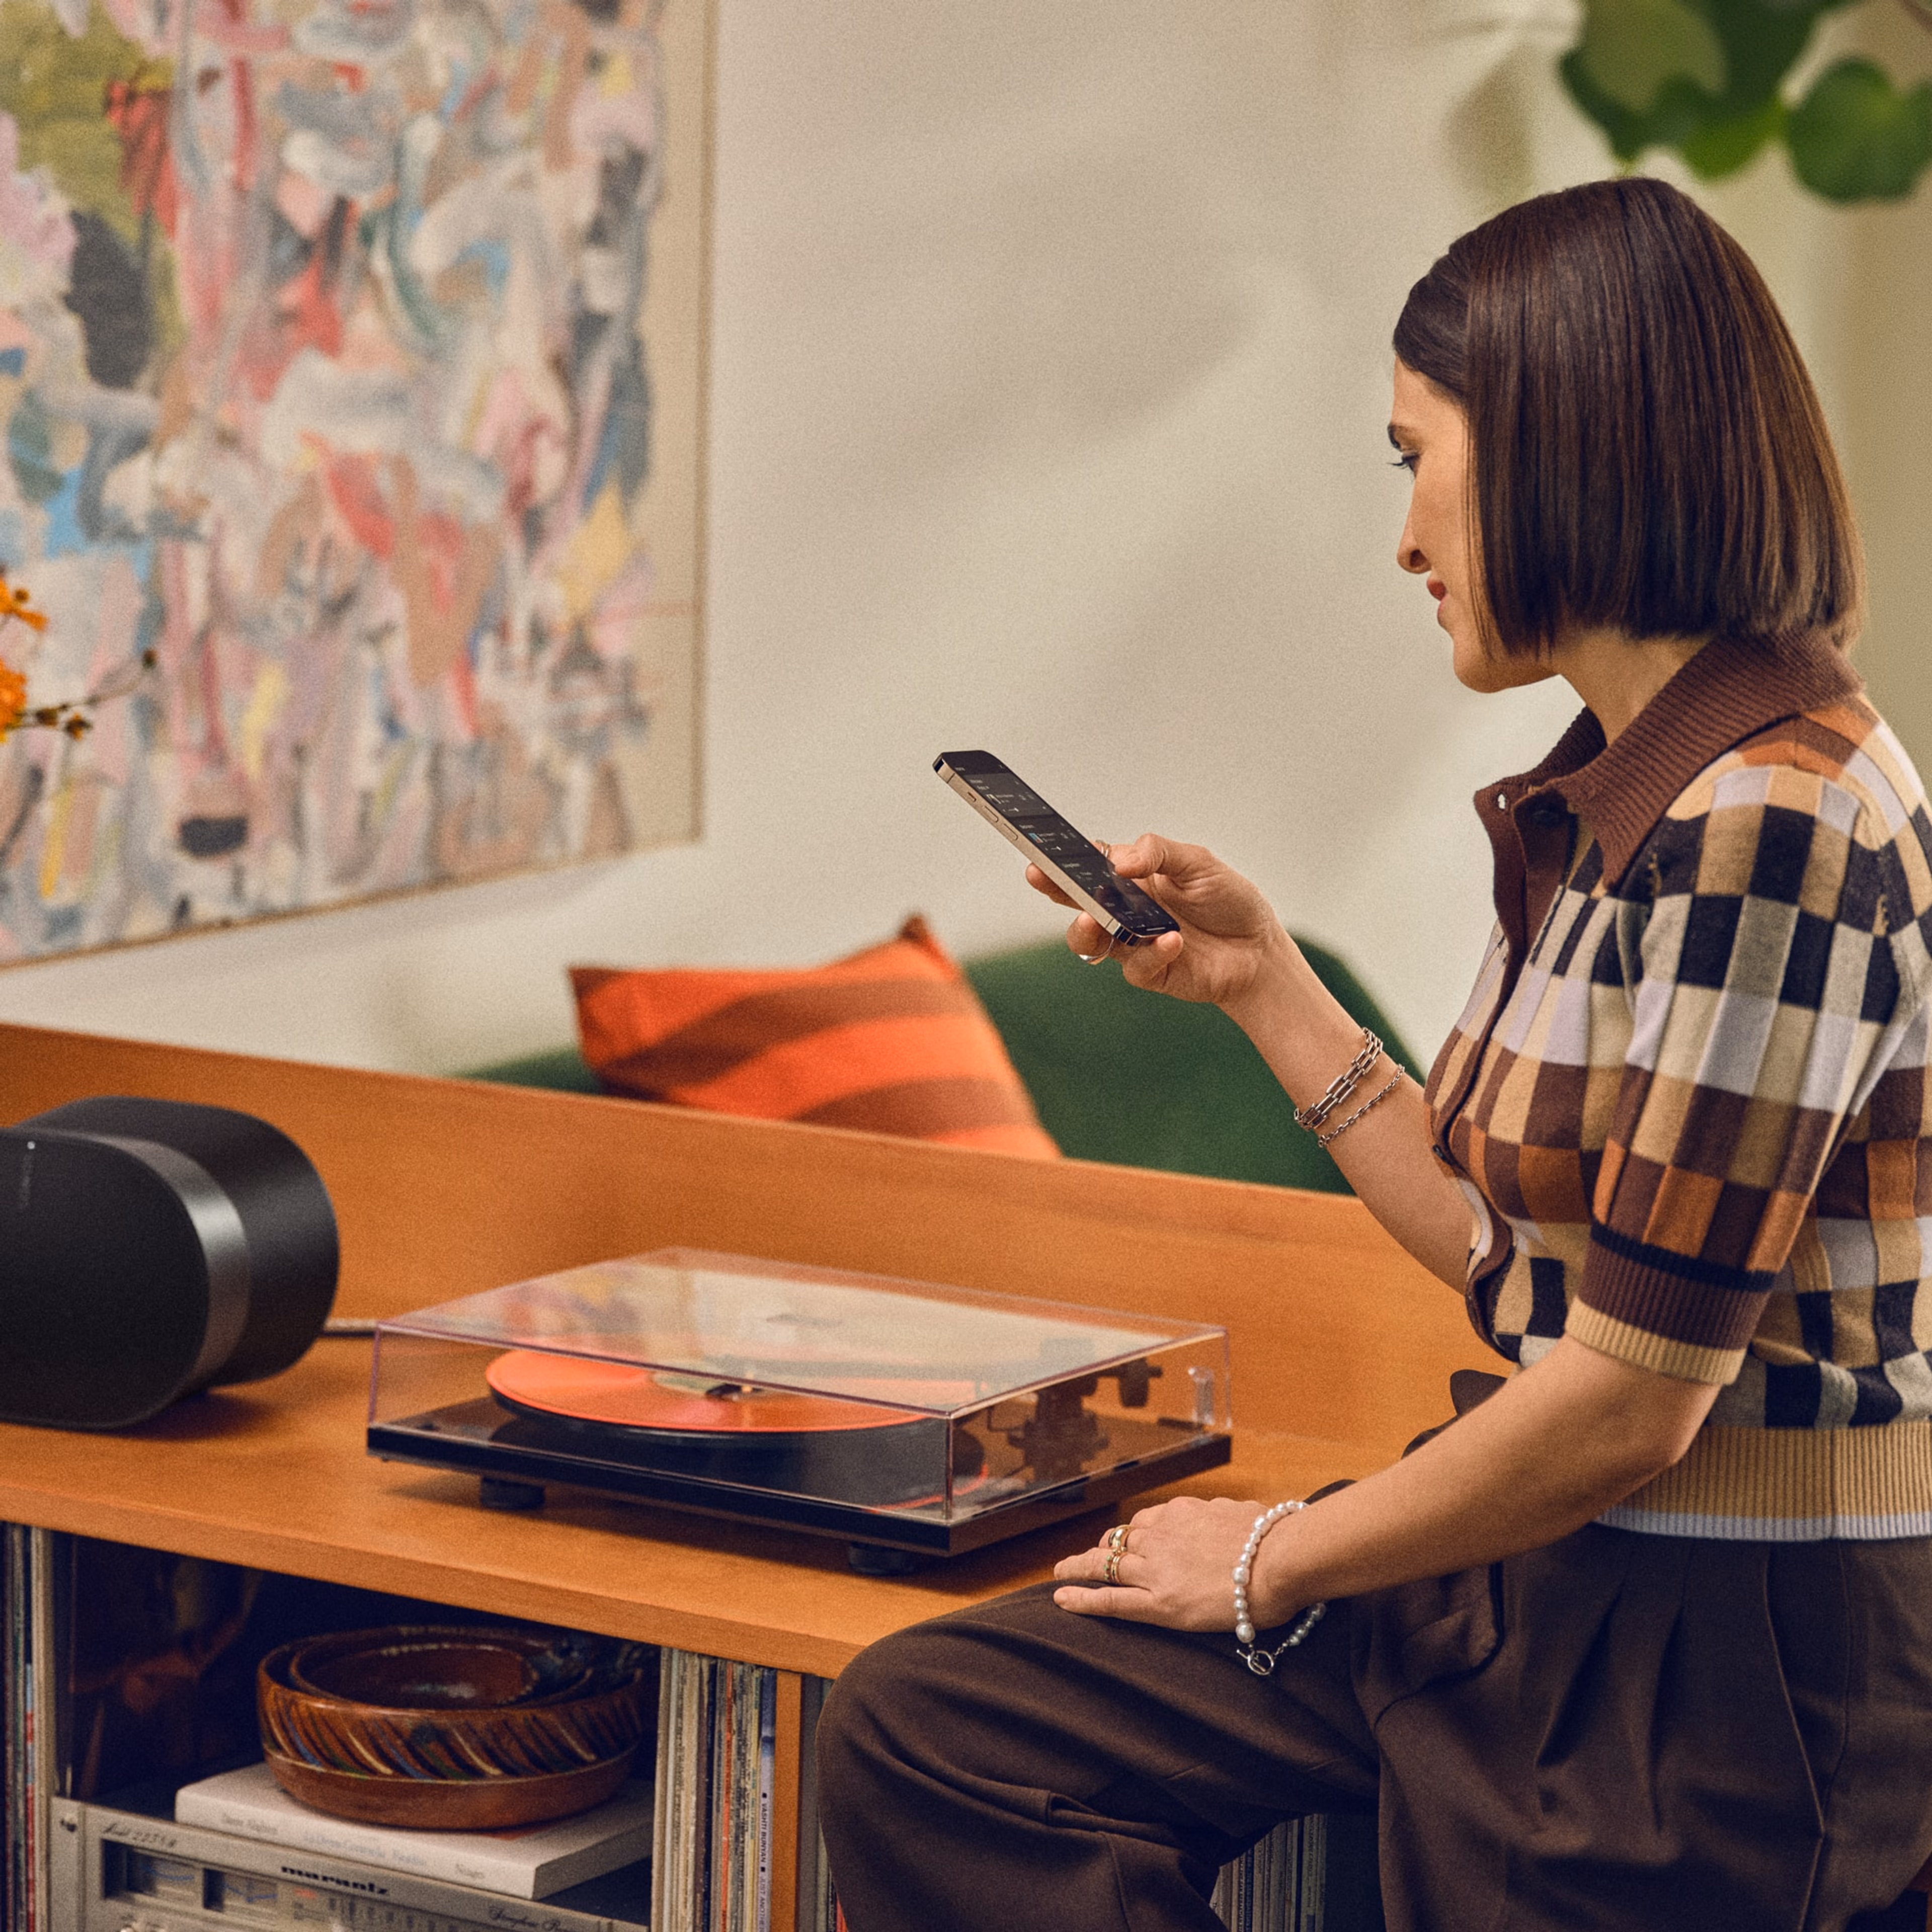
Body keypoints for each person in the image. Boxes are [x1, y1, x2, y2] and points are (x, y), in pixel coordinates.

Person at [814, 178, 1932, 1931]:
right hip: (1550, 1568)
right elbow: (1519, 1260)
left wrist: (1263, 1554)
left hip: (1720, 1665)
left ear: (1571, 449)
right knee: (937, 1734)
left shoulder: (1773, 822)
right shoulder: (1622, 780)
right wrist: (1266, 984)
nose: (1405, 538)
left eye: (1416, 459)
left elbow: (1633, 1402)